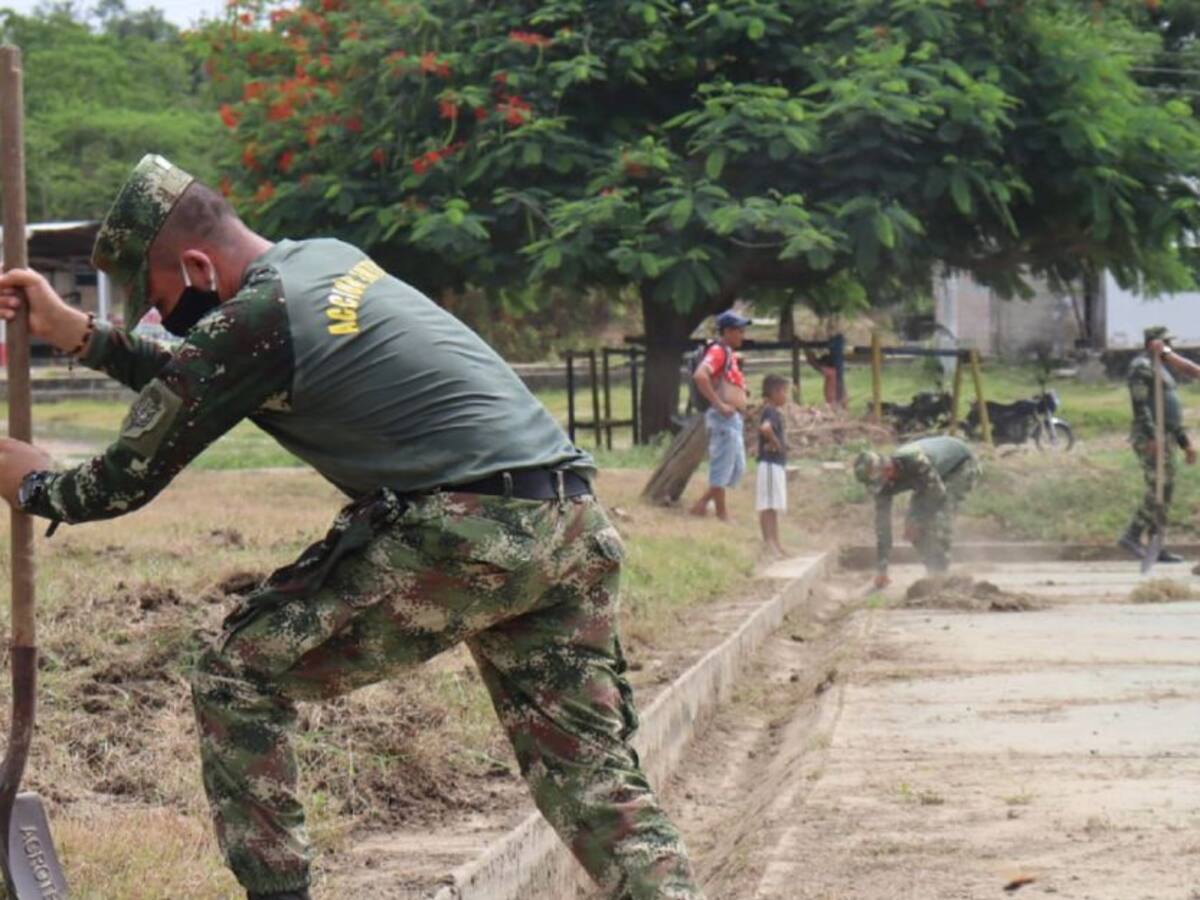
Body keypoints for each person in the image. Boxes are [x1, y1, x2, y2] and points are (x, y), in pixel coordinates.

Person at [0, 155, 702, 900]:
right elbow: (204, 375)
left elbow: (114, 483)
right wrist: (82, 336)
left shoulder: (254, 321)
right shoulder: (323, 262)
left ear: (199, 267)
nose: (167, 320)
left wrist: (34, 483)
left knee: (237, 676)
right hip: (570, 522)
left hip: (474, 532)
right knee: (590, 774)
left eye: (164, 301)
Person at [1117, 325, 1199, 562]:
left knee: (1166, 490)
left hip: (1168, 436)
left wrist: (1185, 443)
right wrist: (1152, 435)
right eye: (1166, 343)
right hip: (1151, 436)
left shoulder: (1162, 369)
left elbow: (1169, 410)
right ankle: (1132, 535)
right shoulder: (1141, 366)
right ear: (1154, 343)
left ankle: (1157, 545)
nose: (1169, 347)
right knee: (1158, 487)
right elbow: (1140, 405)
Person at [853, 436, 979, 589]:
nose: (883, 487)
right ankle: (934, 571)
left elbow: (938, 494)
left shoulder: (914, 460)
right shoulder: (883, 487)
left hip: (960, 466)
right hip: (930, 480)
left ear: (888, 469)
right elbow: (883, 527)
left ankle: (941, 577)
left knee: (939, 519)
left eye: (881, 480)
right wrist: (882, 569)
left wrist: (918, 519)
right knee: (913, 529)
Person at [689, 310, 750, 521]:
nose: (742, 335)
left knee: (735, 467)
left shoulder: (727, 353)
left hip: (732, 418)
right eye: (739, 330)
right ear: (728, 331)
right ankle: (722, 514)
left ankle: (702, 503)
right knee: (722, 467)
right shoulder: (718, 352)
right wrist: (719, 404)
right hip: (723, 418)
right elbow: (700, 375)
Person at [756, 374, 790, 556]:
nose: (786, 396)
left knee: (773, 506)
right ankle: (769, 543)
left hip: (775, 465)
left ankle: (776, 542)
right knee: (768, 505)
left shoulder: (774, 412)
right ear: (775, 393)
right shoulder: (770, 412)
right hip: (769, 464)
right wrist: (775, 442)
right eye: (784, 391)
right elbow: (765, 428)